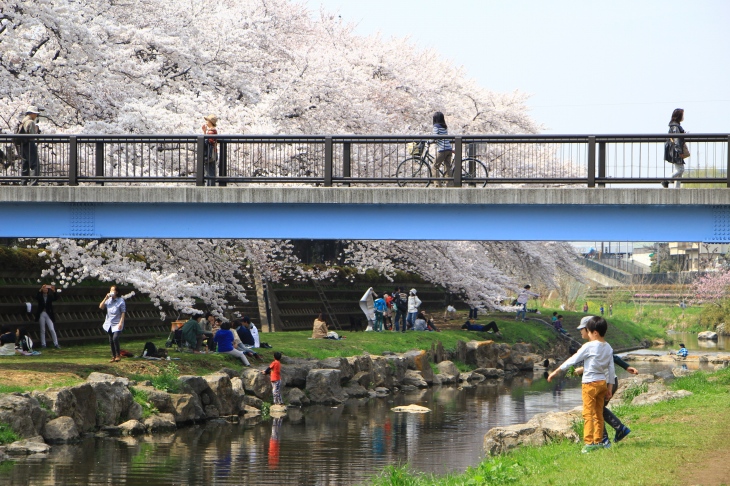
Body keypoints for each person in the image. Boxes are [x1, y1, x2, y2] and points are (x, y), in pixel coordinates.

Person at [547, 316, 615, 453]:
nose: (587, 334)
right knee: (598, 414)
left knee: (588, 413)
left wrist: (556, 371)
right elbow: (611, 369)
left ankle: (589, 442)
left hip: (589, 383)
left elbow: (573, 360)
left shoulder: (589, 346)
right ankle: (599, 441)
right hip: (602, 383)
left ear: (594, 333)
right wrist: (609, 388)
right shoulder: (608, 348)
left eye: (588, 331)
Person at [571, 316, 638, 446]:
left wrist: (626, 366)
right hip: (606, 382)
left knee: (597, 410)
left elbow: (612, 358)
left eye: (582, 329)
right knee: (598, 409)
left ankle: (607, 437)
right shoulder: (595, 345)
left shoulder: (597, 345)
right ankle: (614, 432)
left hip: (607, 383)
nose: (580, 332)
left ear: (590, 329)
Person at [100, 285, 126, 363]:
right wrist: (105, 298)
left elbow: (123, 312)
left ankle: (118, 355)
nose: (111, 292)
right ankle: (113, 356)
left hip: (117, 323)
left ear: (116, 292)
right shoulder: (109, 300)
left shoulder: (120, 301)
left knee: (115, 338)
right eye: (110, 290)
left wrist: (121, 322)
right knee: (111, 340)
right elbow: (101, 307)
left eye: (113, 291)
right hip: (109, 323)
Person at [662, 108, 688, 189]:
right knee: (680, 169)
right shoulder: (675, 127)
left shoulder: (674, 126)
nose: (683, 117)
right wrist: (679, 151)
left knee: (680, 169)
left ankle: (677, 188)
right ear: (679, 116)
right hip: (676, 150)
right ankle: (666, 180)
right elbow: (677, 139)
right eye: (682, 115)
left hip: (675, 149)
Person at [16, 106, 42, 186]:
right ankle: (33, 183)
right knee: (34, 164)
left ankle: (23, 182)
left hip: (23, 144)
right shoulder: (30, 122)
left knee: (25, 164)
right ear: (32, 113)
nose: (36, 116)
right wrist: (37, 130)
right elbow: (33, 135)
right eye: (35, 114)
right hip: (29, 144)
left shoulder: (23, 121)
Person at [35, 283, 60, 349]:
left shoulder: (50, 296)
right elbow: (36, 297)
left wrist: (54, 290)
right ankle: (43, 344)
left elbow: (56, 298)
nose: (45, 289)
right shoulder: (40, 296)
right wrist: (40, 289)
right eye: (44, 288)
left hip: (49, 313)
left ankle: (56, 343)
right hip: (42, 313)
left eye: (46, 288)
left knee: (52, 329)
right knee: (42, 329)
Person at [432, 112, 452, 183]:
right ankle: (449, 184)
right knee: (447, 167)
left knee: (434, 167)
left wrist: (429, 141)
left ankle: (437, 185)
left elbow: (434, 137)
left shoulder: (436, 126)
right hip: (449, 148)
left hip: (442, 149)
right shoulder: (444, 127)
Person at [202, 114, 218, 186]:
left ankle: (210, 187)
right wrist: (205, 132)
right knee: (211, 170)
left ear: (210, 122)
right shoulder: (213, 131)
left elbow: (208, 142)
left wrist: (205, 133)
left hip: (210, 154)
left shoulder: (211, 132)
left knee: (209, 172)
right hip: (213, 153)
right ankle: (211, 186)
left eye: (207, 121)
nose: (206, 122)